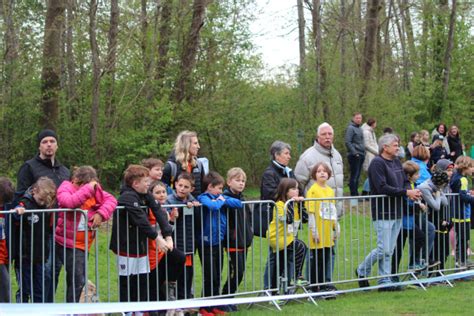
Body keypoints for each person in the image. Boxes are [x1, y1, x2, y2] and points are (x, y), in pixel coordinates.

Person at [355, 134, 421, 291]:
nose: (398, 147)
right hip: (383, 211)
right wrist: (406, 193)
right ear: (385, 147)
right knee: (383, 248)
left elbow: (405, 181)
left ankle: (384, 280)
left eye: (398, 144)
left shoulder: (397, 162)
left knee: (389, 249)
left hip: (397, 211)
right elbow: (381, 187)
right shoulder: (377, 163)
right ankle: (362, 270)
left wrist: (411, 191)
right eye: (395, 144)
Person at [15, 129, 70, 302]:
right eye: (45, 141)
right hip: (37, 230)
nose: (49, 145)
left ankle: (48, 307)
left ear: (57, 145)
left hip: (60, 228)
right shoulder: (29, 167)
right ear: (39, 145)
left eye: (52, 141)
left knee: (54, 270)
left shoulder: (64, 171)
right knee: (43, 272)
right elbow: (21, 194)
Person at [109, 165, 174, 303]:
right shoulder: (126, 197)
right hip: (126, 247)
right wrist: (157, 238)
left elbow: (158, 211)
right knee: (127, 281)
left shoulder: (145, 195)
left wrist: (168, 235)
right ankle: (126, 311)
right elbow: (141, 220)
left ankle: (140, 309)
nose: (148, 185)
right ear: (135, 184)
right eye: (146, 182)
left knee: (142, 279)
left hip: (141, 246)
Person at [54, 166, 117, 302]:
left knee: (77, 281)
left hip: (84, 244)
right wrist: (88, 188)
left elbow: (111, 200)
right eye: (81, 184)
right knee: (76, 280)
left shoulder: (94, 190)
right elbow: (70, 203)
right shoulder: (65, 188)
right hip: (67, 243)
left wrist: (101, 214)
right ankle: (70, 310)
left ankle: (72, 309)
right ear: (75, 180)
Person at [294, 122, 343, 285]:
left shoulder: (337, 155)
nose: (328, 137)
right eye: (324, 134)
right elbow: (299, 182)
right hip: (316, 213)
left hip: (332, 211)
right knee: (316, 251)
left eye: (330, 134)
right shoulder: (308, 156)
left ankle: (327, 282)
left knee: (331, 249)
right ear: (317, 136)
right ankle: (313, 282)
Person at [196, 171, 242, 316]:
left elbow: (238, 203)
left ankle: (214, 305)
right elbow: (212, 206)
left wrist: (221, 198)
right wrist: (221, 200)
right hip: (206, 243)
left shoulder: (219, 197)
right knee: (209, 276)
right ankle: (204, 308)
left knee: (217, 276)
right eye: (219, 188)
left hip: (218, 243)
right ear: (210, 187)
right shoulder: (203, 197)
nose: (221, 191)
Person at [13, 177, 56, 303]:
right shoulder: (24, 203)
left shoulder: (47, 206)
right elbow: (14, 215)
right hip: (24, 256)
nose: (42, 203)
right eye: (41, 199)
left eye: (45, 201)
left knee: (39, 290)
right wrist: (17, 212)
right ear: (34, 191)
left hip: (40, 256)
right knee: (25, 289)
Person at [147, 181, 186, 306]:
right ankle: (153, 307)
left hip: (163, 247)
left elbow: (167, 230)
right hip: (151, 249)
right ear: (150, 195)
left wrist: (173, 220)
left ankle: (169, 283)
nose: (162, 195)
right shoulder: (149, 209)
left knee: (179, 257)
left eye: (163, 192)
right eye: (157, 193)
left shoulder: (163, 210)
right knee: (153, 281)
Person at [266, 178, 307, 291]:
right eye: (293, 189)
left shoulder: (294, 204)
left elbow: (304, 219)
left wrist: (301, 205)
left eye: (297, 188)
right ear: (285, 191)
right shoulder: (280, 204)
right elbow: (288, 219)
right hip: (277, 237)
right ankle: (297, 276)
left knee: (281, 266)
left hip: (288, 237)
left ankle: (280, 290)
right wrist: (290, 204)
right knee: (301, 246)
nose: (297, 191)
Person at [165, 173, 201, 301]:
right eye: (180, 185)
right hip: (173, 243)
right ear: (175, 185)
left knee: (187, 273)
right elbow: (169, 221)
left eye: (186, 187)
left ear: (191, 189)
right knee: (173, 273)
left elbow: (197, 222)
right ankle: (171, 300)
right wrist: (180, 211)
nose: (182, 189)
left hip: (188, 244)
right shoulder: (168, 200)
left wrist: (195, 209)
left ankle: (185, 299)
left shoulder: (194, 201)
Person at [221, 168, 253, 309]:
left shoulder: (243, 199)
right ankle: (225, 297)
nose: (241, 183)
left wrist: (249, 234)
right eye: (237, 180)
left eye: (243, 181)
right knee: (237, 271)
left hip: (243, 240)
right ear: (229, 182)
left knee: (240, 272)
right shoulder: (225, 199)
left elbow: (248, 219)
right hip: (232, 241)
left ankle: (230, 298)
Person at [391, 161, 427, 282]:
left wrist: (419, 203)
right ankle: (393, 274)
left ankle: (413, 263)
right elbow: (406, 205)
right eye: (416, 174)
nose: (418, 175)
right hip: (403, 222)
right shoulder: (406, 186)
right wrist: (419, 207)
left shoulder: (413, 185)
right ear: (408, 176)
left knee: (420, 237)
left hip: (410, 222)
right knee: (398, 249)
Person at [305, 163, 339, 292]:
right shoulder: (312, 191)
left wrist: (336, 228)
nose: (322, 173)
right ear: (314, 175)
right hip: (318, 230)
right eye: (319, 171)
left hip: (328, 232)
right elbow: (311, 212)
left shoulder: (330, 191)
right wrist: (314, 231)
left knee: (326, 259)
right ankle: (314, 286)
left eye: (324, 171)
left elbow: (332, 211)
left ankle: (324, 284)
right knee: (317, 260)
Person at [418, 169, 450, 268]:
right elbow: (436, 206)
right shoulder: (425, 187)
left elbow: (445, 203)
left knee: (442, 249)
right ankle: (423, 268)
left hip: (434, 219)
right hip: (424, 218)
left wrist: (438, 192)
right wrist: (438, 194)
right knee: (431, 247)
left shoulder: (436, 187)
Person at [162, 131, 205, 198]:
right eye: (195, 143)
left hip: (196, 207)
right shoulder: (171, 166)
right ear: (186, 145)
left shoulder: (199, 164)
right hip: (176, 207)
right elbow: (163, 191)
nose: (198, 146)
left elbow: (203, 190)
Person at [429, 159, 455, 270]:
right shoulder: (434, 185)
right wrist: (440, 220)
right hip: (436, 220)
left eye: (452, 170)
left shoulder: (448, 185)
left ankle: (441, 273)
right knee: (436, 250)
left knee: (445, 251)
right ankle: (432, 274)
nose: (451, 173)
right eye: (448, 170)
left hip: (447, 220)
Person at [449, 156, 474, 267]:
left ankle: (461, 260)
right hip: (463, 214)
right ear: (465, 167)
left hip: (457, 213)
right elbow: (462, 197)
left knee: (462, 239)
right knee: (464, 239)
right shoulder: (462, 179)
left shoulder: (455, 177)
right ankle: (461, 262)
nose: (473, 169)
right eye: (472, 167)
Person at [0, 177, 14, 303]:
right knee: (5, 290)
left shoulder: (5, 209)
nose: (1, 205)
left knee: (5, 291)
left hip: (3, 257)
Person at [345, 113, 365, 196]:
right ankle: (354, 194)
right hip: (354, 155)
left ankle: (356, 193)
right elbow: (347, 142)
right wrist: (355, 153)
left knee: (358, 176)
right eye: (357, 118)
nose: (359, 119)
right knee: (354, 176)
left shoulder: (360, 129)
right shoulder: (350, 128)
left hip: (361, 154)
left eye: (360, 118)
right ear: (353, 118)